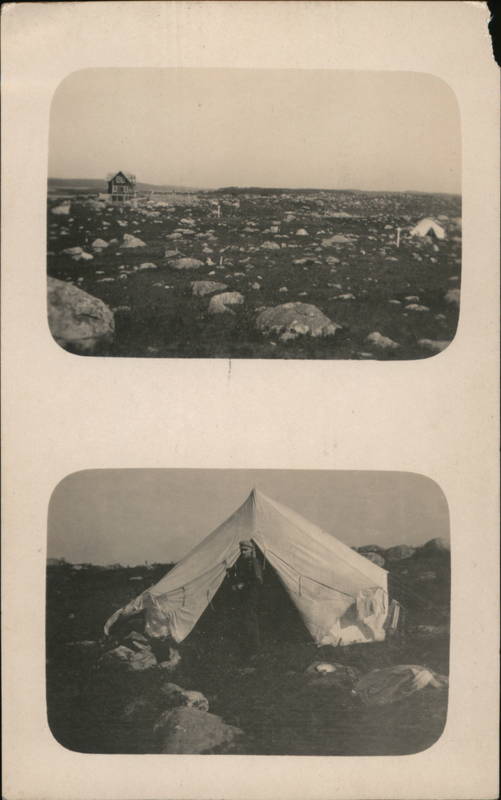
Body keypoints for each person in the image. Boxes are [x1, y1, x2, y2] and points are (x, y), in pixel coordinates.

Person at [227, 540, 264, 658]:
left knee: (250, 621)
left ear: (251, 550)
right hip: (245, 596)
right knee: (246, 621)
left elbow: (258, 580)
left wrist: (243, 585)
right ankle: (249, 648)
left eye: (245, 550)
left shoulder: (254, 562)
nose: (243, 552)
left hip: (252, 596)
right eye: (241, 550)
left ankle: (254, 649)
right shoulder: (244, 562)